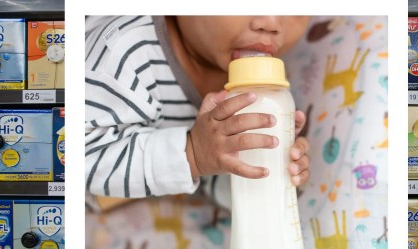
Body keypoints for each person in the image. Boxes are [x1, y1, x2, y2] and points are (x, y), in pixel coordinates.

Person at [85, 15, 311, 209]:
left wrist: (266, 170)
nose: (272, 23)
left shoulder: (260, 81)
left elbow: (211, 178)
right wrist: (192, 153)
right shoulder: (125, 53)